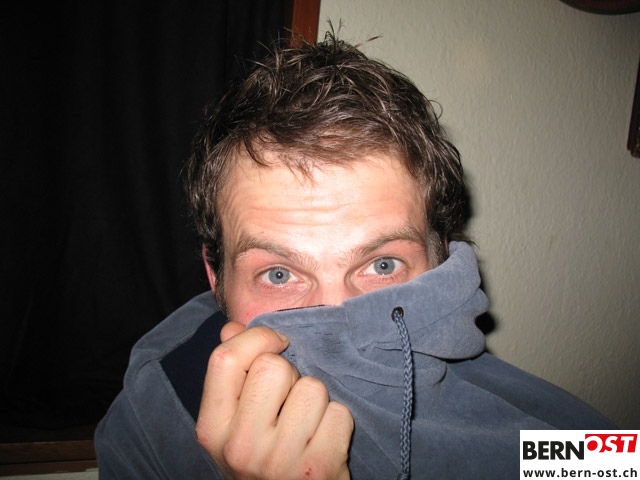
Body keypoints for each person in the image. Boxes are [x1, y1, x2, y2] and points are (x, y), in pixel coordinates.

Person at [94, 32, 615, 479]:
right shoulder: (153, 422)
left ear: (441, 260)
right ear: (216, 277)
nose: (336, 318)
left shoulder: (569, 447)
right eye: (279, 274)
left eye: (382, 265)